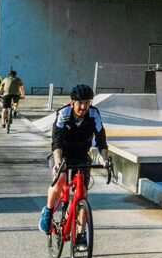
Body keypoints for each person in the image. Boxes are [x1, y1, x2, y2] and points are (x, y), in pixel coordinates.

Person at [40, 84, 110, 244]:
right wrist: (58, 162)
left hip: (81, 155)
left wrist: (105, 159)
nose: (84, 107)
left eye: (87, 102)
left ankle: (80, 235)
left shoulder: (94, 114)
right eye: (80, 103)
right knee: (61, 179)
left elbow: (101, 140)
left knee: (83, 194)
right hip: (62, 154)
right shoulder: (63, 113)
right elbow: (56, 141)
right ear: (72, 102)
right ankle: (48, 211)